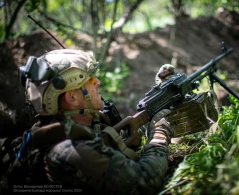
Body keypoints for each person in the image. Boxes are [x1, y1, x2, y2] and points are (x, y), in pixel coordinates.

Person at [16, 49, 174, 194]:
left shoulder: (84, 124)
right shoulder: (72, 150)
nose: (97, 81)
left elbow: (120, 138)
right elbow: (143, 182)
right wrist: (159, 135)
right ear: (72, 97)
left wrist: (159, 95)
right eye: (89, 79)